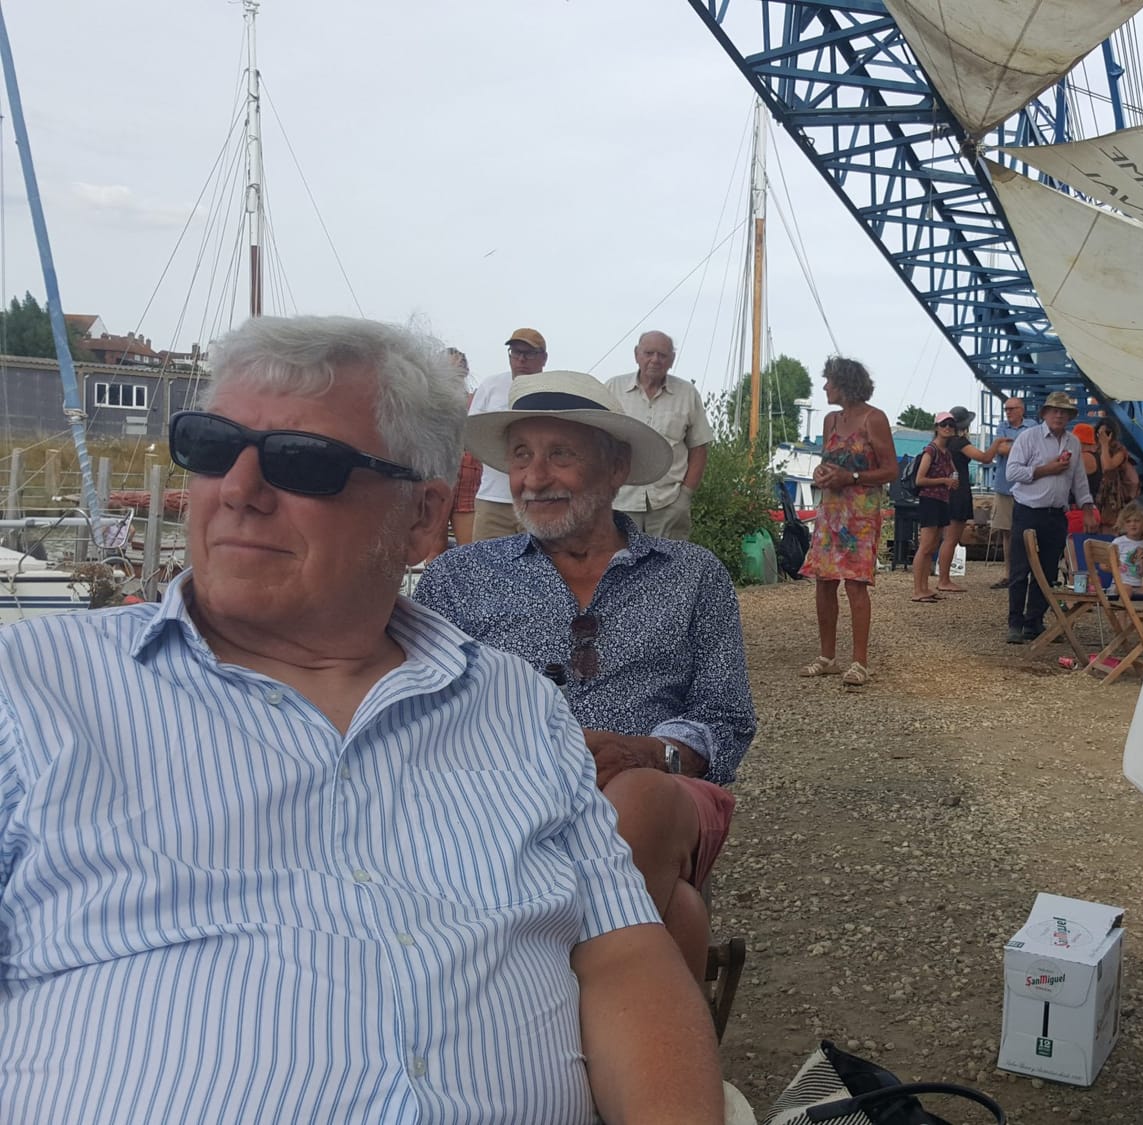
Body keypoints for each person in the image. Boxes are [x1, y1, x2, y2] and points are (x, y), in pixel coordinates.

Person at [0, 315, 721, 1122]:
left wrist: (659, 751)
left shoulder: (522, 703)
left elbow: (624, 951)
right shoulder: (29, 690)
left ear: (419, 516)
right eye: (210, 446)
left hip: (644, 785)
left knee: (654, 824)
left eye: (302, 462)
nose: (238, 488)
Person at [415, 369, 758, 982]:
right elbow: (422, 718)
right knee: (680, 913)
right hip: (503, 795)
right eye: (521, 456)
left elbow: (726, 718)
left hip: (663, 791)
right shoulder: (458, 578)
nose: (535, 477)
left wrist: (651, 753)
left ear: (615, 467)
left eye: (560, 455)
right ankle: (623, 1017)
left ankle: (532, 996)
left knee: (642, 800)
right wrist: (536, 756)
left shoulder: (692, 574)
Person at [801, 356, 895, 687]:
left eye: (829, 381)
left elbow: (891, 470)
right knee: (824, 582)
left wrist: (852, 477)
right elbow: (829, 460)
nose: (825, 386)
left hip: (860, 514)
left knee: (855, 584)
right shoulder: (830, 420)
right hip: (830, 512)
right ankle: (827, 657)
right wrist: (821, 472)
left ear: (845, 384)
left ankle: (860, 662)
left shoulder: (874, 419)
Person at [1005, 391, 1096, 644]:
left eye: (1064, 412)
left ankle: (1034, 621)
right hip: (1028, 509)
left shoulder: (1073, 442)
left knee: (1047, 571)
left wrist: (1087, 507)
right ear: (1044, 413)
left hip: (1056, 513)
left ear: (1069, 417)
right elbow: (1012, 472)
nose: (1059, 415)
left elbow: (1079, 479)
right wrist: (1046, 469)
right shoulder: (1029, 437)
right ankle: (1015, 622)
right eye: (1055, 410)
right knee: (1020, 569)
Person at [609, 331, 713, 541]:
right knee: (621, 560)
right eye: (649, 353)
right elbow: (596, 443)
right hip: (621, 501)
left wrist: (684, 497)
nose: (655, 360)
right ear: (637, 354)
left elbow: (699, 448)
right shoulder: (613, 389)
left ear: (672, 360)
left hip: (669, 503)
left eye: (662, 355)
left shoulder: (687, 393)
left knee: (669, 562)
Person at [467, 327, 548, 541]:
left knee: (541, 561)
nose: (521, 359)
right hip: (492, 498)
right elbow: (472, 433)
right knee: (485, 561)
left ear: (544, 358)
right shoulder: (490, 386)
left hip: (539, 498)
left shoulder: (553, 391)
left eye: (529, 353)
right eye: (515, 352)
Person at [936, 405, 996, 594]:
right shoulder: (959, 443)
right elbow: (984, 458)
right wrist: (997, 444)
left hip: (946, 491)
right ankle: (944, 579)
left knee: (945, 538)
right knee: (951, 539)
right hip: (959, 491)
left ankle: (942, 577)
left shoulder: (944, 443)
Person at [910, 413, 961, 603]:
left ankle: (924, 587)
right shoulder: (930, 450)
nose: (948, 427)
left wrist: (952, 480)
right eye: (944, 424)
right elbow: (920, 479)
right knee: (925, 546)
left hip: (942, 500)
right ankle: (918, 589)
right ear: (937, 427)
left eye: (951, 424)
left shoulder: (946, 453)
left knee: (932, 546)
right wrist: (944, 480)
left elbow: (954, 472)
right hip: (930, 500)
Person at [987, 396, 1027, 587]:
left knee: (1027, 532)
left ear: (1021, 409)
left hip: (1027, 488)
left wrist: (1012, 446)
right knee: (1007, 532)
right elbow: (1001, 449)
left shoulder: (1032, 426)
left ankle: (1025, 572)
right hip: (1005, 486)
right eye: (1006, 409)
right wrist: (1023, 447)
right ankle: (1009, 573)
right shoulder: (1002, 427)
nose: (1008, 412)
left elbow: (1034, 449)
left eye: (1012, 408)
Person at [444, 346, 481, 551]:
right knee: (434, 547)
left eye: (459, 366)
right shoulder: (428, 400)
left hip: (469, 475)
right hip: (439, 472)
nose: (454, 371)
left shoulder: (475, 400)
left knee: (468, 547)